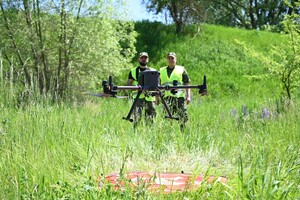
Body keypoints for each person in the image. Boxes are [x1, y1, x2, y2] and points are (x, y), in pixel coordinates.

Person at [159, 52, 191, 131]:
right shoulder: (161, 71)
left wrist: (188, 96)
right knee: (167, 119)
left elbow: (187, 83)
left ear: (176, 59)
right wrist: (157, 98)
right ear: (167, 60)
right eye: (169, 58)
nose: (170, 60)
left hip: (179, 98)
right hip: (166, 98)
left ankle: (184, 135)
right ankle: (168, 136)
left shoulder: (181, 69)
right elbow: (158, 85)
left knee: (183, 118)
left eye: (172, 58)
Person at [127, 52, 156, 126]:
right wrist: (137, 88)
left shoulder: (153, 71)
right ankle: (136, 135)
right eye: (142, 57)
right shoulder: (133, 71)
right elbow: (128, 85)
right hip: (137, 98)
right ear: (138, 59)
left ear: (148, 59)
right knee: (137, 119)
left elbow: (156, 86)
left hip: (150, 98)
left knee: (150, 120)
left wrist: (157, 97)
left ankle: (149, 135)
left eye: (145, 58)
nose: (143, 59)